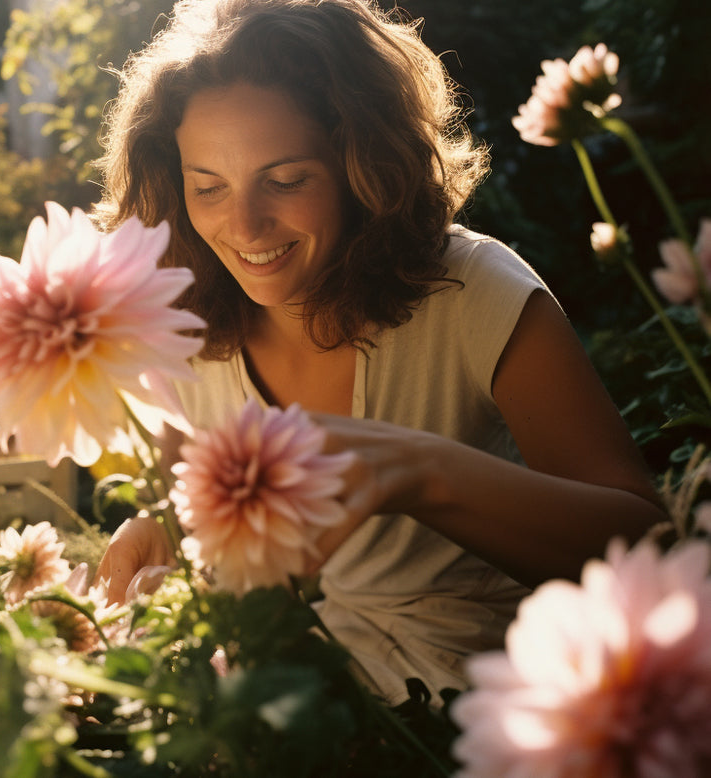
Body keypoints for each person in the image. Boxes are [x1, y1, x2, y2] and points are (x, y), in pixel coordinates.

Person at [91, 0, 666, 703]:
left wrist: (422, 474)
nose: (243, 225)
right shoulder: (184, 328)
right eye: (207, 186)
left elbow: (647, 548)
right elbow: (212, 519)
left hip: (514, 714)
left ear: (361, 163)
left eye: (286, 179)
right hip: (304, 719)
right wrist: (166, 527)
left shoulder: (472, 289)